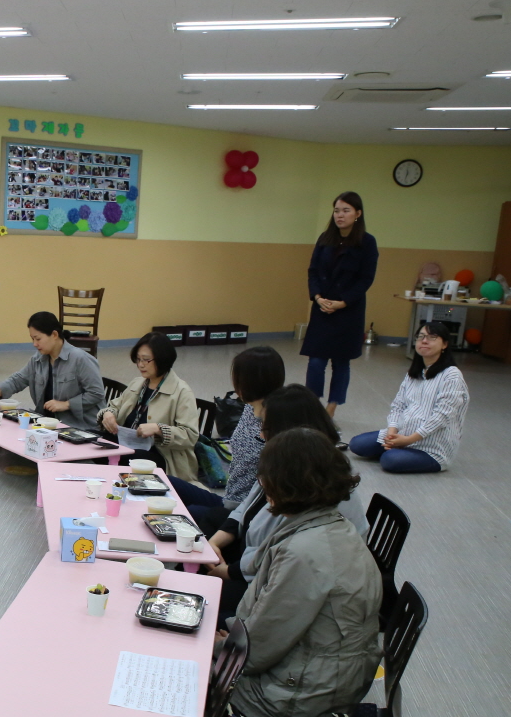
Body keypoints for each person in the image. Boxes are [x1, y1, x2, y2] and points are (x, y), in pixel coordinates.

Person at [219, 426, 382, 717]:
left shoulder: (304, 553)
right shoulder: (334, 526)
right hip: (319, 677)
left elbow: (256, 653)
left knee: (182, 673)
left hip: (294, 701)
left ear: (282, 483)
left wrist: (217, 648)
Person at [208, 384, 368, 629]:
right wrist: (216, 547)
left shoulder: (310, 485)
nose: (261, 434)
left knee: (202, 609)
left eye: (265, 427)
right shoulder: (292, 463)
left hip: (278, 584)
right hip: (264, 573)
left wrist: (229, 638)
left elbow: (271, 622)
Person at [169, 346, 286, 531]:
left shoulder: (276, 420)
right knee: (167, 483)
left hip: (246, 510)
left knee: (187, 515)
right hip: (230, 499)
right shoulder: (249, 407)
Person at [349, 319, 469, 473]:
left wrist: (409, 440)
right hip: (403, 434)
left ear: (444, 344)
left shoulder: (451, 375)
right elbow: (398, 405)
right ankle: (399, 450)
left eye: (432, 337)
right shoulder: (415, 372)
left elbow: (442, 417)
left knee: (389, 460)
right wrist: (392, 432)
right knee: (357, 444)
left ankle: (401, 453)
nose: (424, 341)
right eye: (421, 336)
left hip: (432, 447)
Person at [301, 191, 378, 420]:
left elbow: (366, 279)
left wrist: (342, 302)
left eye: (346, 210)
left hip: (348, 311)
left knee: (341, 362)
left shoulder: (367, 242)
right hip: (322, 307)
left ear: (358, 214)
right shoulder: (325, 238)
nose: (340, 215)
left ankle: (331, 409)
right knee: (316, 362)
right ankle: (312, 406)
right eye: (336, 210)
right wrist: (317, 297)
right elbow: (313, 271)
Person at [95, 332, 199, 480]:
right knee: (91, 442)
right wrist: (108, 414)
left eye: (146, 360)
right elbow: (115, 407)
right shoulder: (138, 383)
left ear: (163, 359)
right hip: (128, 443)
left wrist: (159, 429)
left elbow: (190, 435)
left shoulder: (181, 392)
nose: (140, 365)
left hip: (161, 454)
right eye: (138, 359)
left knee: (122, 456)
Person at [0, 312, 105, 431]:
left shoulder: (80, 359)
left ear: (54, 334)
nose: (34, 344)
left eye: (38, 339)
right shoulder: (38, 358)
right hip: (47, 422)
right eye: (32, 339)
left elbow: (96, 393)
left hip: (79, 427)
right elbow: (19, 379)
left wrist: (66, 404)